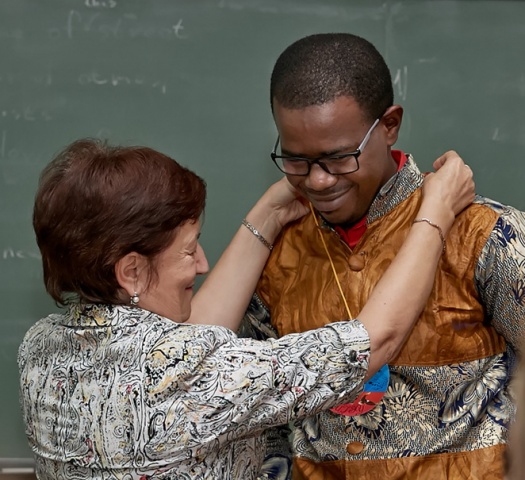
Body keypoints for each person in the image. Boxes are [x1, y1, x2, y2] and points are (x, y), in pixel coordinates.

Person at [17, 139, 473, 480]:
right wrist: (435, 212)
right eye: (189, 250)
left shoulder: (39, 348)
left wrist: (269, 215)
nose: (202, 264)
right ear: (131, 271)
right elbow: (372, 340)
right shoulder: (181, 371)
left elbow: (183, 350)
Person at [243, 33, 525, 479]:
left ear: (390, 125)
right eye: (296, 160)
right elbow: (264, 420)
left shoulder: (484, 234)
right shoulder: (274, 256)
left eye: (339, 157)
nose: (318, 181)